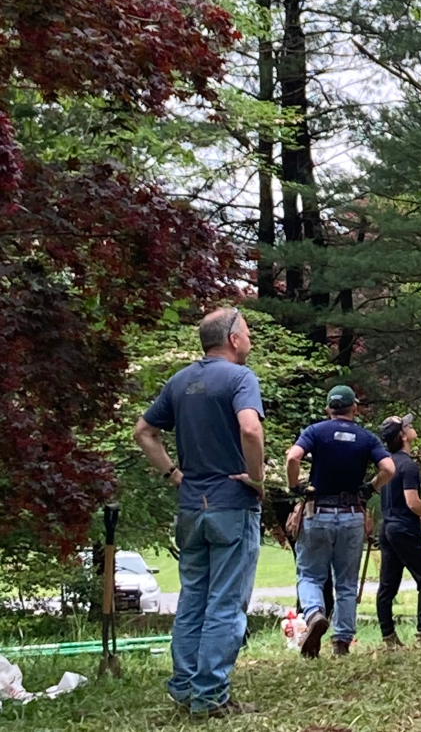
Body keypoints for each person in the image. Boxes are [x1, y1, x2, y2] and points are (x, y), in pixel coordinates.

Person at [133, 307, 264, 718]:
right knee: (226, 603)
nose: (250, 341)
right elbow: (250, 428)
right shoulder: (241, 378)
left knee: (193, 600)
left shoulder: (179, 380)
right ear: (234, 340)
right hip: (232, 505)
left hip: (191, 507)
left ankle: (184, 687)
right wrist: (257, 478)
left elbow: (143, 432)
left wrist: (174, 474)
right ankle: (210, 697)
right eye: (247, 334)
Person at [286, 386, 395, 658]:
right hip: (352, 514)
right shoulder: (366, 437)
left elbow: (292, 456)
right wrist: (370, 488)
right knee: (346, 582)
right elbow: (389, 469)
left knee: (310, 574)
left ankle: (314, 614)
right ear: (353, 408)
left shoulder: (315, 431)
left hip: (317, 512)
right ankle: (342, 642)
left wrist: (295, 487)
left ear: (328, 409)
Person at [375, 413, 421, 649]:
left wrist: (420, 514)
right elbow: (412, 502)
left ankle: (389, 638)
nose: (412, 426)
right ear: (403, 436)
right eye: (408, 426)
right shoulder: (409, 465)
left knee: (387, 587)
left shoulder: (387, 464)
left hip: (387, 528)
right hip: (404, 530)